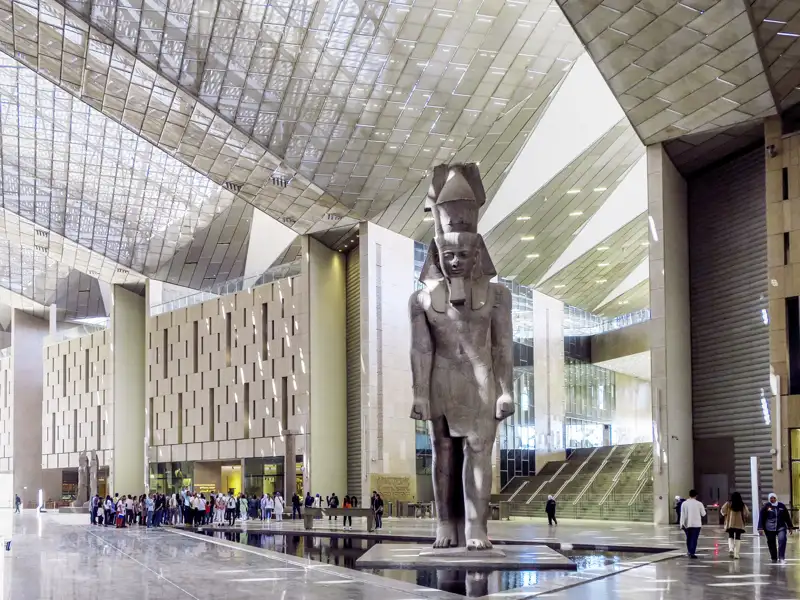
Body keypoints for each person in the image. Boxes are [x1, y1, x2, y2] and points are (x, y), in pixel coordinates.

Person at [759, 492, 795, 563]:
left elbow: (787, 517)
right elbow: (761, 518)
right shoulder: (766, 506)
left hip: (781, 527)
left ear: (776, 498)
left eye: (774, 498)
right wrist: (760, 528)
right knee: (771, 543)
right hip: (769, 528)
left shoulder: (781, 506)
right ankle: (774, 558)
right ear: (769, 499)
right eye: (771, 498)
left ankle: (781, 558)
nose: (773, 499)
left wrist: (790, 527)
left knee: (782, 540)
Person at [721, 491, 749, 559]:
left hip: (730, 523)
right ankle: (736, 554)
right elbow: (746, 513)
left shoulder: (728, 503)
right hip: (739, 523)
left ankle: (731, 549)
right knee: (738, 537)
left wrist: (725, 514)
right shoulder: (742, 504)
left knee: (730, 535)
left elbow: (722, 510)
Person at [679, 489, 706, 559]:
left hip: (687, 524)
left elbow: (682, 514)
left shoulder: (684, 503)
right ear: (696, 495)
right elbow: (703, 514)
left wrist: (681, 524)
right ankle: (692, 552)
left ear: (689, 495)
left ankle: (689, 551)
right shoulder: (699, 503)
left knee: (689, 538)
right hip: (696, 524)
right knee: (694, 539)